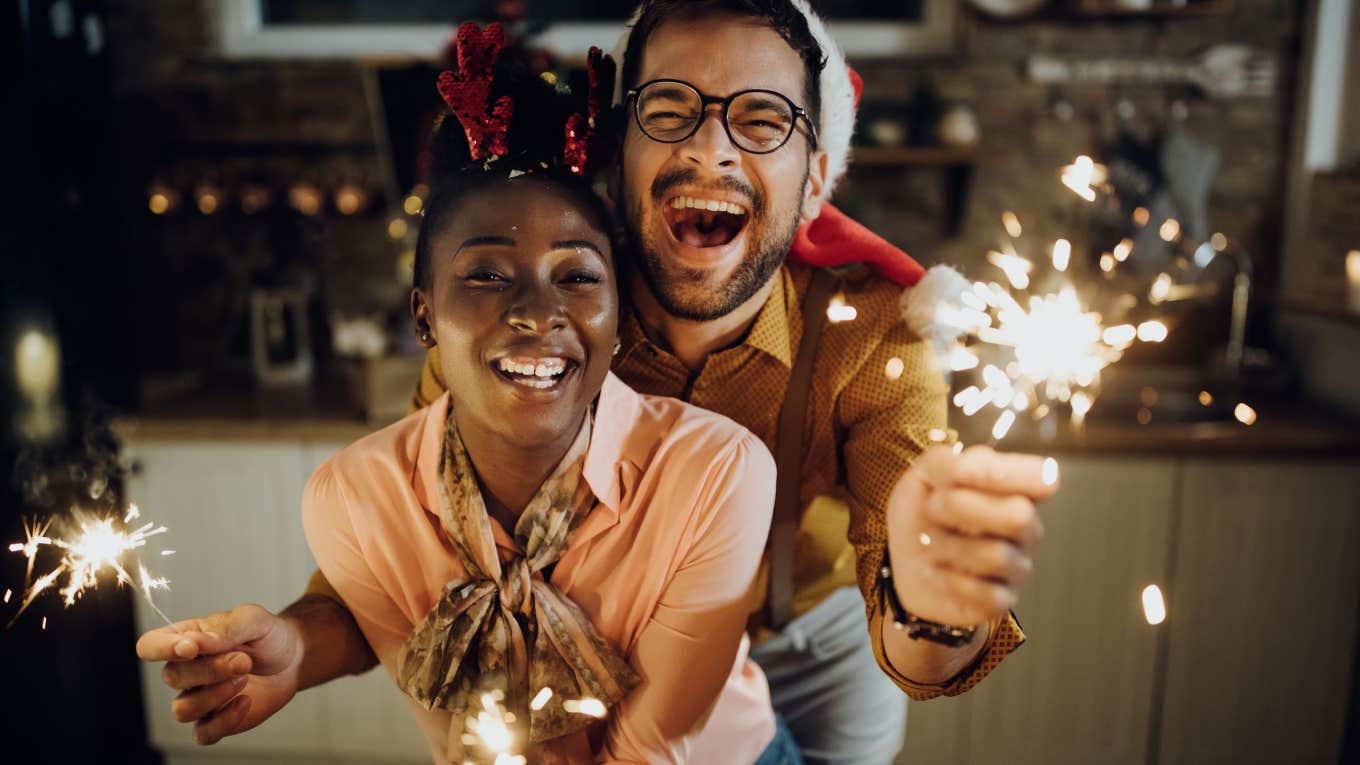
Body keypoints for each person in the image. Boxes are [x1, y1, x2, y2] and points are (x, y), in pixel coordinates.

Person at [138, 2, 1060, 763]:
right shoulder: (534, 323)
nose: (712, 151)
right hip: (617, 665)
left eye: (762, 118)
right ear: (618, 157)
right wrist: (295, 647)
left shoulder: (876, 337)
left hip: (821, 641)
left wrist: (933, 609)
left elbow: (918, 621)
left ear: (815, 176)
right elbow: (414, 555)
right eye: (670, 109)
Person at [140, 26, 791, 764]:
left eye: (578, 277)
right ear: (424, 315)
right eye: (485, 275)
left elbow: (655, 744)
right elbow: (424, 689)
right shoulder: (354, 497)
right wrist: (292, 648)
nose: (538, 312)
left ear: (616, 317)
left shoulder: (719, 473)